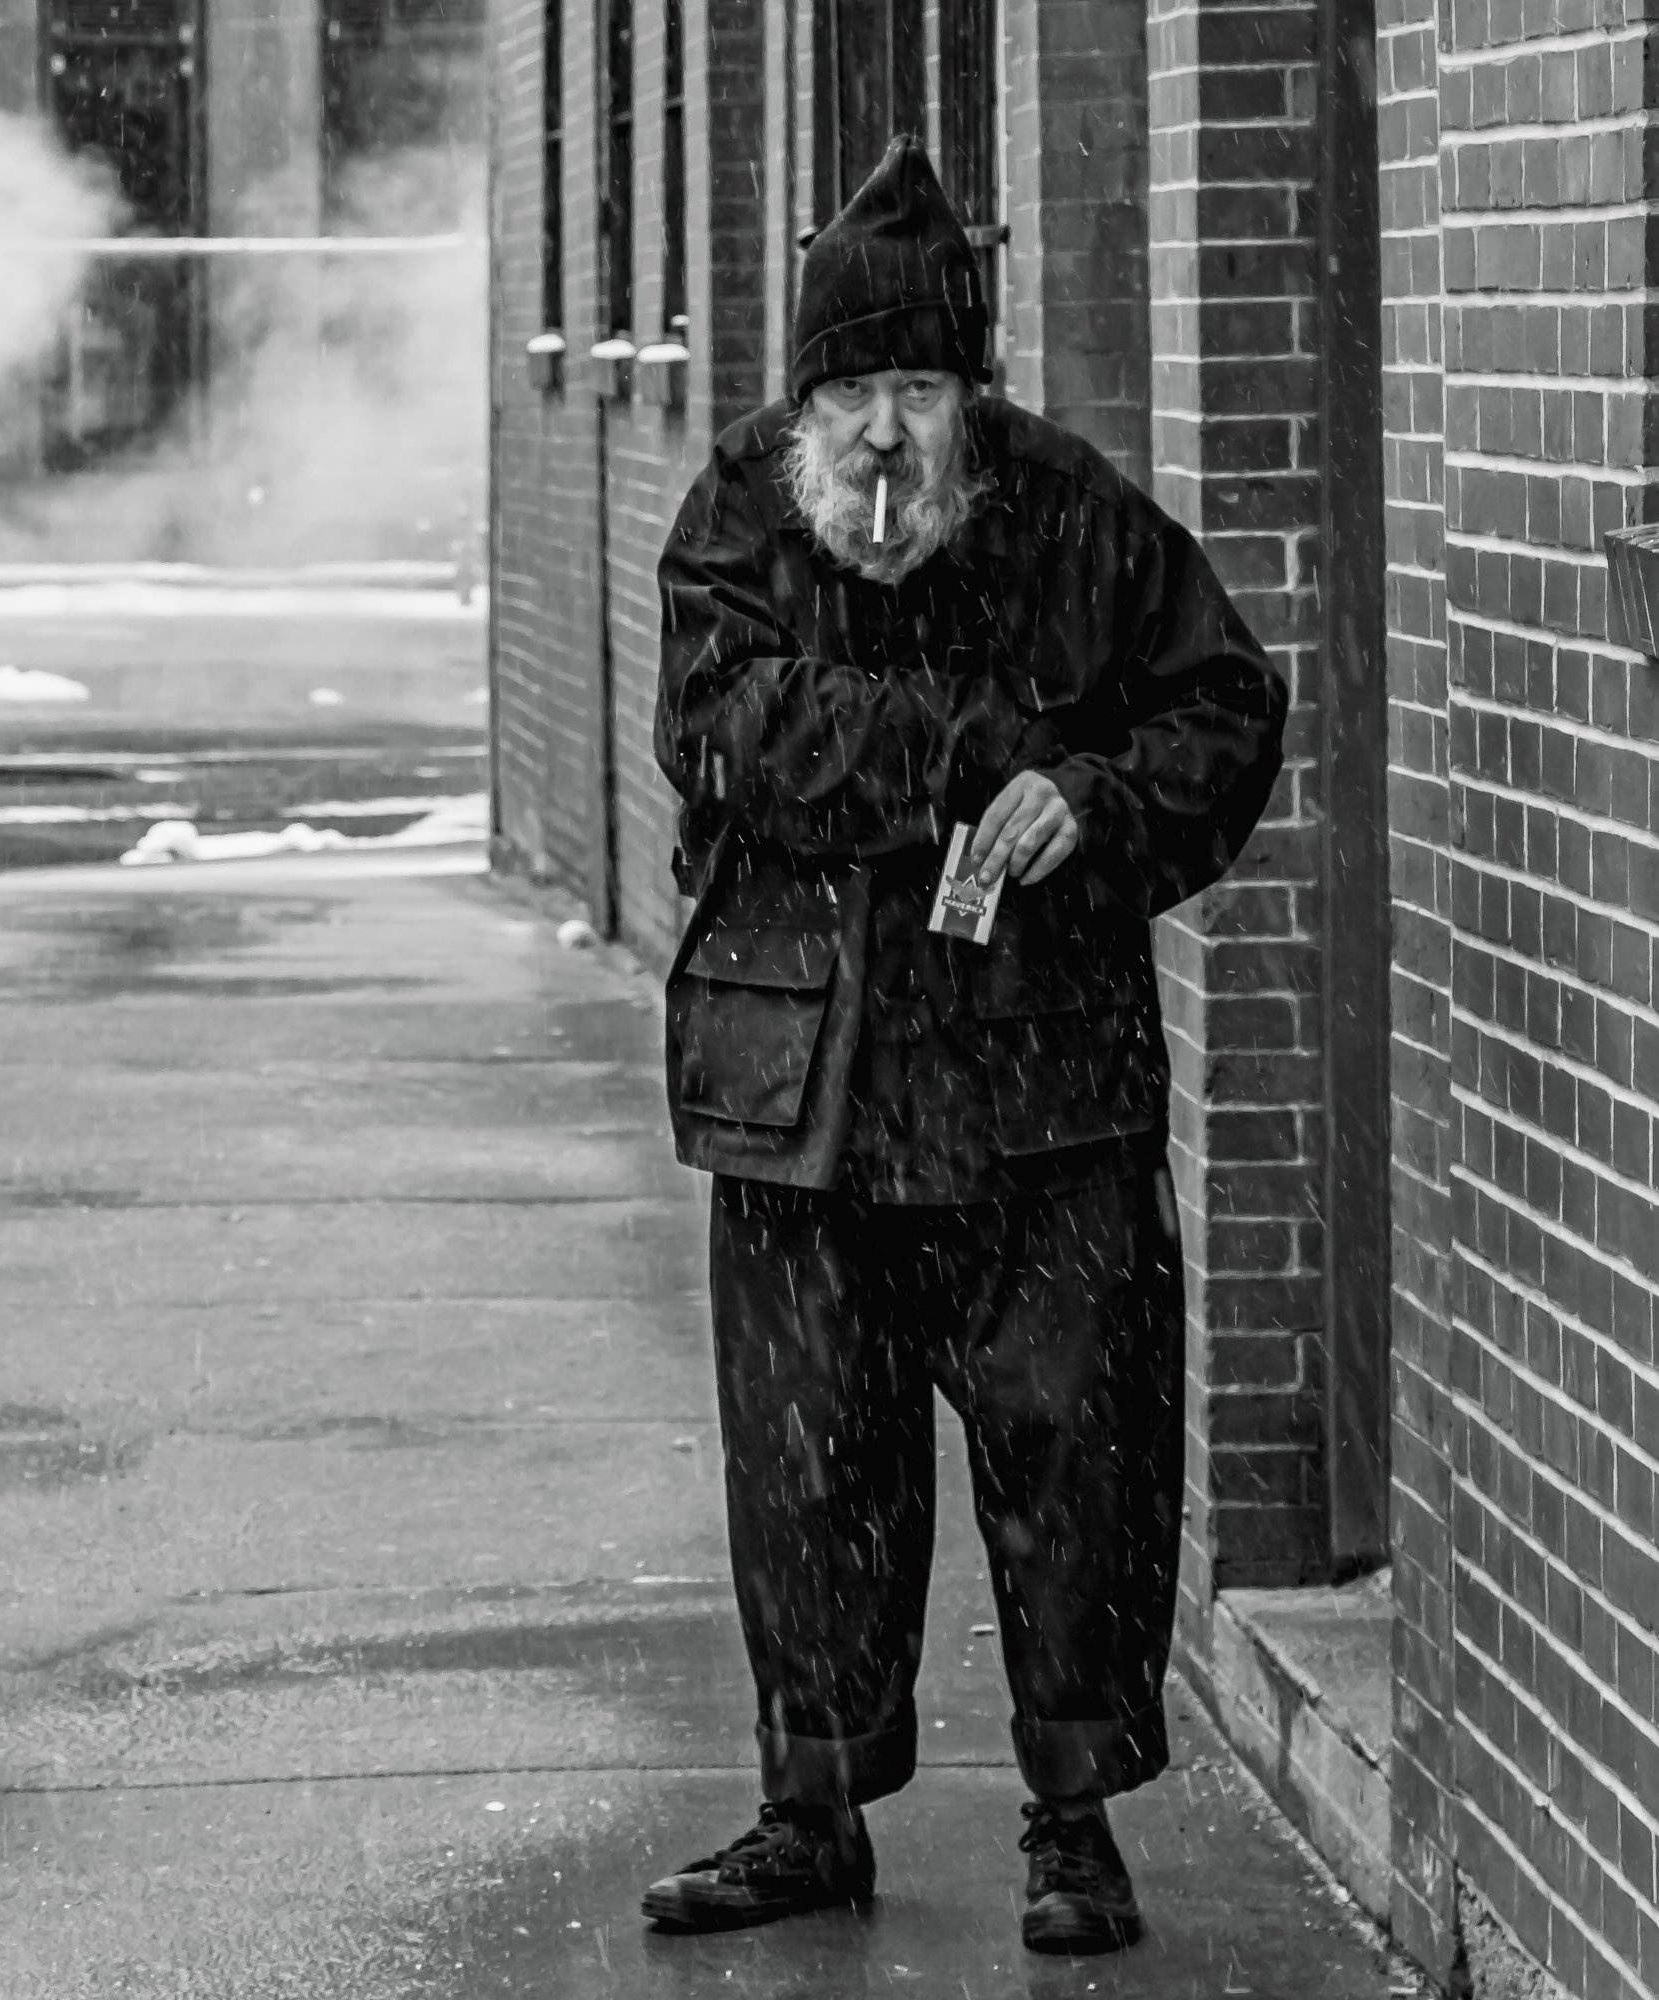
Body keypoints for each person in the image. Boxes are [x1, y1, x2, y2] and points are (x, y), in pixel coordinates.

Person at [639, 135, 1289, 1953]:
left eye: (919, 387)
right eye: (852, 388)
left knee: (1078, 1451)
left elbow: (1229, 709)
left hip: (1040, 1094)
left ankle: (1074, 1826)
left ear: (969, 397)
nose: (881, 435)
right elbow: (723, 724)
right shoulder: (738, 522)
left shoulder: (1076, 515)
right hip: (810, 1095)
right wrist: (953, 759)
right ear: (805, 396)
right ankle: (809, 1809)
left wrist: (1091, 797)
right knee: (806, 1461)